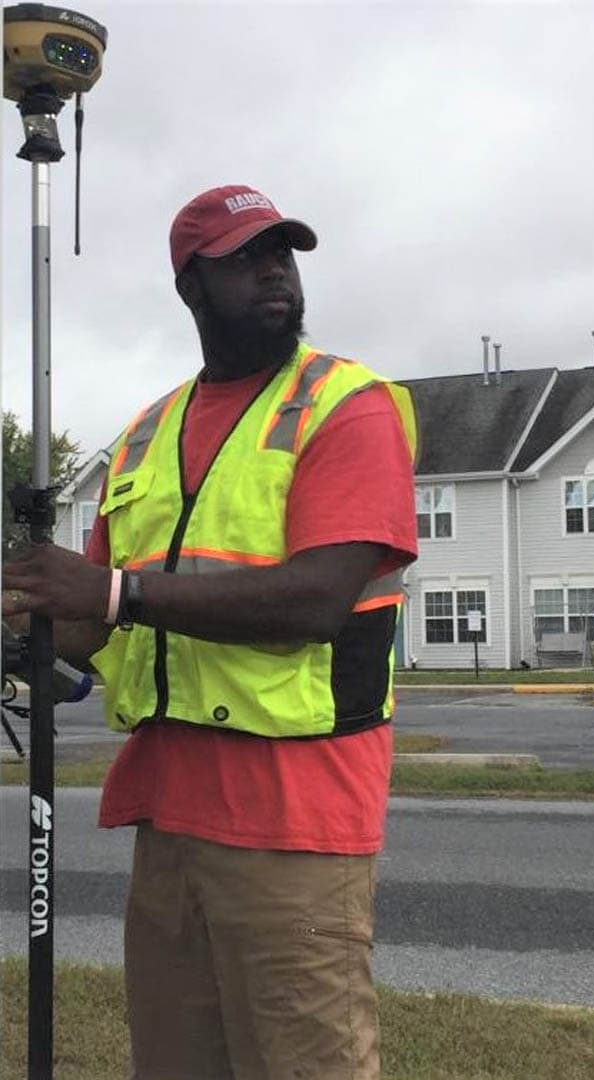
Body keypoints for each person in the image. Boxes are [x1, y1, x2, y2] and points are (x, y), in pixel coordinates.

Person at [3, 184, 418, 1080]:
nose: (275, 268)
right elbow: (91, 618)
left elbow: (317, 600)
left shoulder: (348, 405)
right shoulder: (145, 437)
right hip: (170, 821)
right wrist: (26, 628)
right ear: (191, 285)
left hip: (297, 825)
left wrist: (108, 594)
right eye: (244, 255)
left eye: (284, 251)